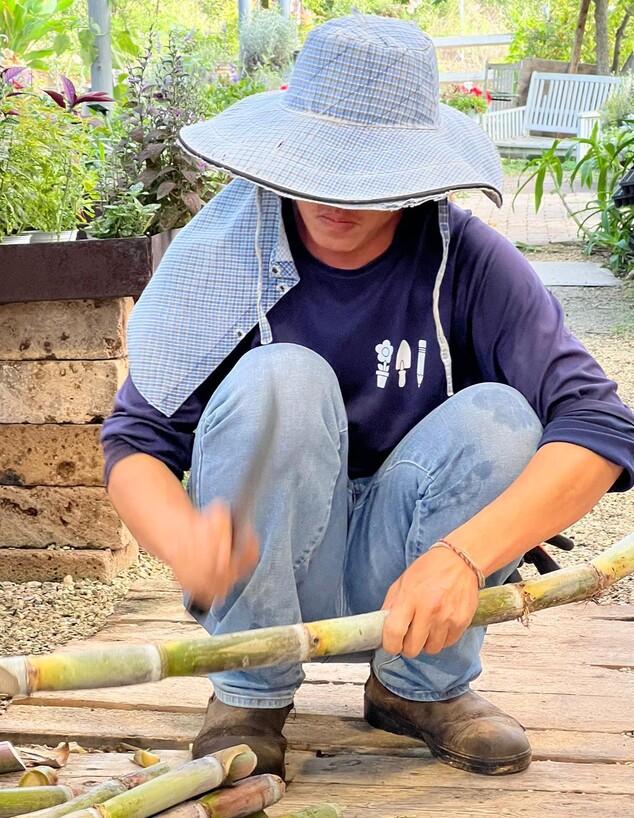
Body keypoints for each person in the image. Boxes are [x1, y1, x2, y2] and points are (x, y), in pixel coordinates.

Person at [101, 14, 634, 781]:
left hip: (411, 581)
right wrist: (186, 541)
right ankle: (249, 692)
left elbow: (598, 425)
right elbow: (135, 442)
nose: (338, 197)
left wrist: (463, 556)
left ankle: (418, 688)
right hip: (273, 566)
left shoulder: (467, 259)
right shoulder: (219, 257)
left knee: (506, 417)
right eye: (322, 165)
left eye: (372, 174)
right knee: (283, 378)